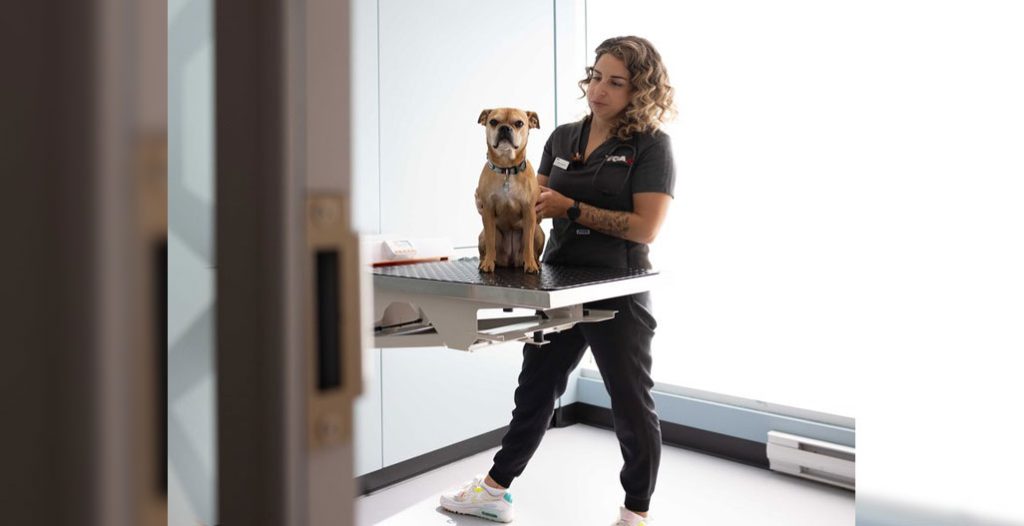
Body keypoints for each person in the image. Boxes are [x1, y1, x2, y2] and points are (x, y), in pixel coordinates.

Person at [440, 35, 676, 526]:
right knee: (535, 390)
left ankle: (636, 513)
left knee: (630, 405)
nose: (599, 90)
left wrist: (573, 208)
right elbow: (531, 203)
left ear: (641, 89)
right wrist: (495, 194)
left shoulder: (651, 146)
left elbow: (646, 227)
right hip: (560, 280)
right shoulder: (563, 137)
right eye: (595, 76)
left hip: (617, 287)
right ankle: (494, 489)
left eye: (616, 82)